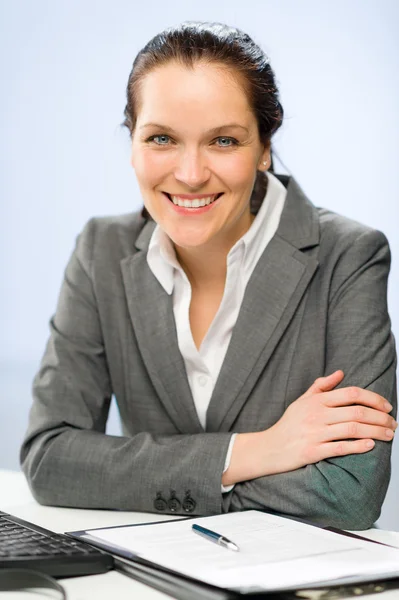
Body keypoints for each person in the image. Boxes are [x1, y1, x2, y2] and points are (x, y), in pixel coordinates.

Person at [21, 21, 397, 530]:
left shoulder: (348, 256)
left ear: (264, 146)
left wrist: (139, 478)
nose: (191, 173)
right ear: (132, 142)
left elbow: (348, 494)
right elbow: (51, 459)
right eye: (161, 138)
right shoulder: (100, 252)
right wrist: (256, 451)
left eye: (223, 140)